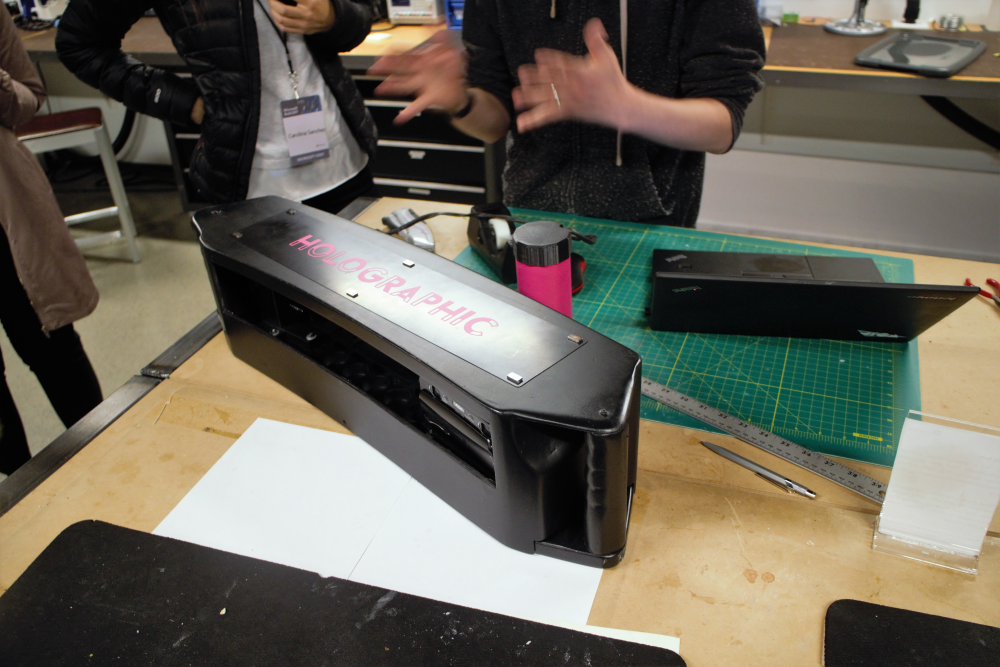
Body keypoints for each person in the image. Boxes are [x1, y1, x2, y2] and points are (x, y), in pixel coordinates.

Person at [370, 1, 766, 226]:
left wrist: (630, 109)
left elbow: (722, 124)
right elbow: (494, 122)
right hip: (530, 215)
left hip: (653, 224)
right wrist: (462, 102)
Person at [56, 0, 379, 215]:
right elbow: (79, 43)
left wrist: (334, 16)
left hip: (346, 162)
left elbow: (365, 11)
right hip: (250, 184)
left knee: (364, 294)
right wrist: (186, 102)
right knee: (270, 299)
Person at [0, 8, 103, 475]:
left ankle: (107, 457)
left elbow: (28, 99)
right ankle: (16, 499)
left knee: (52, 343)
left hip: (7, 211)